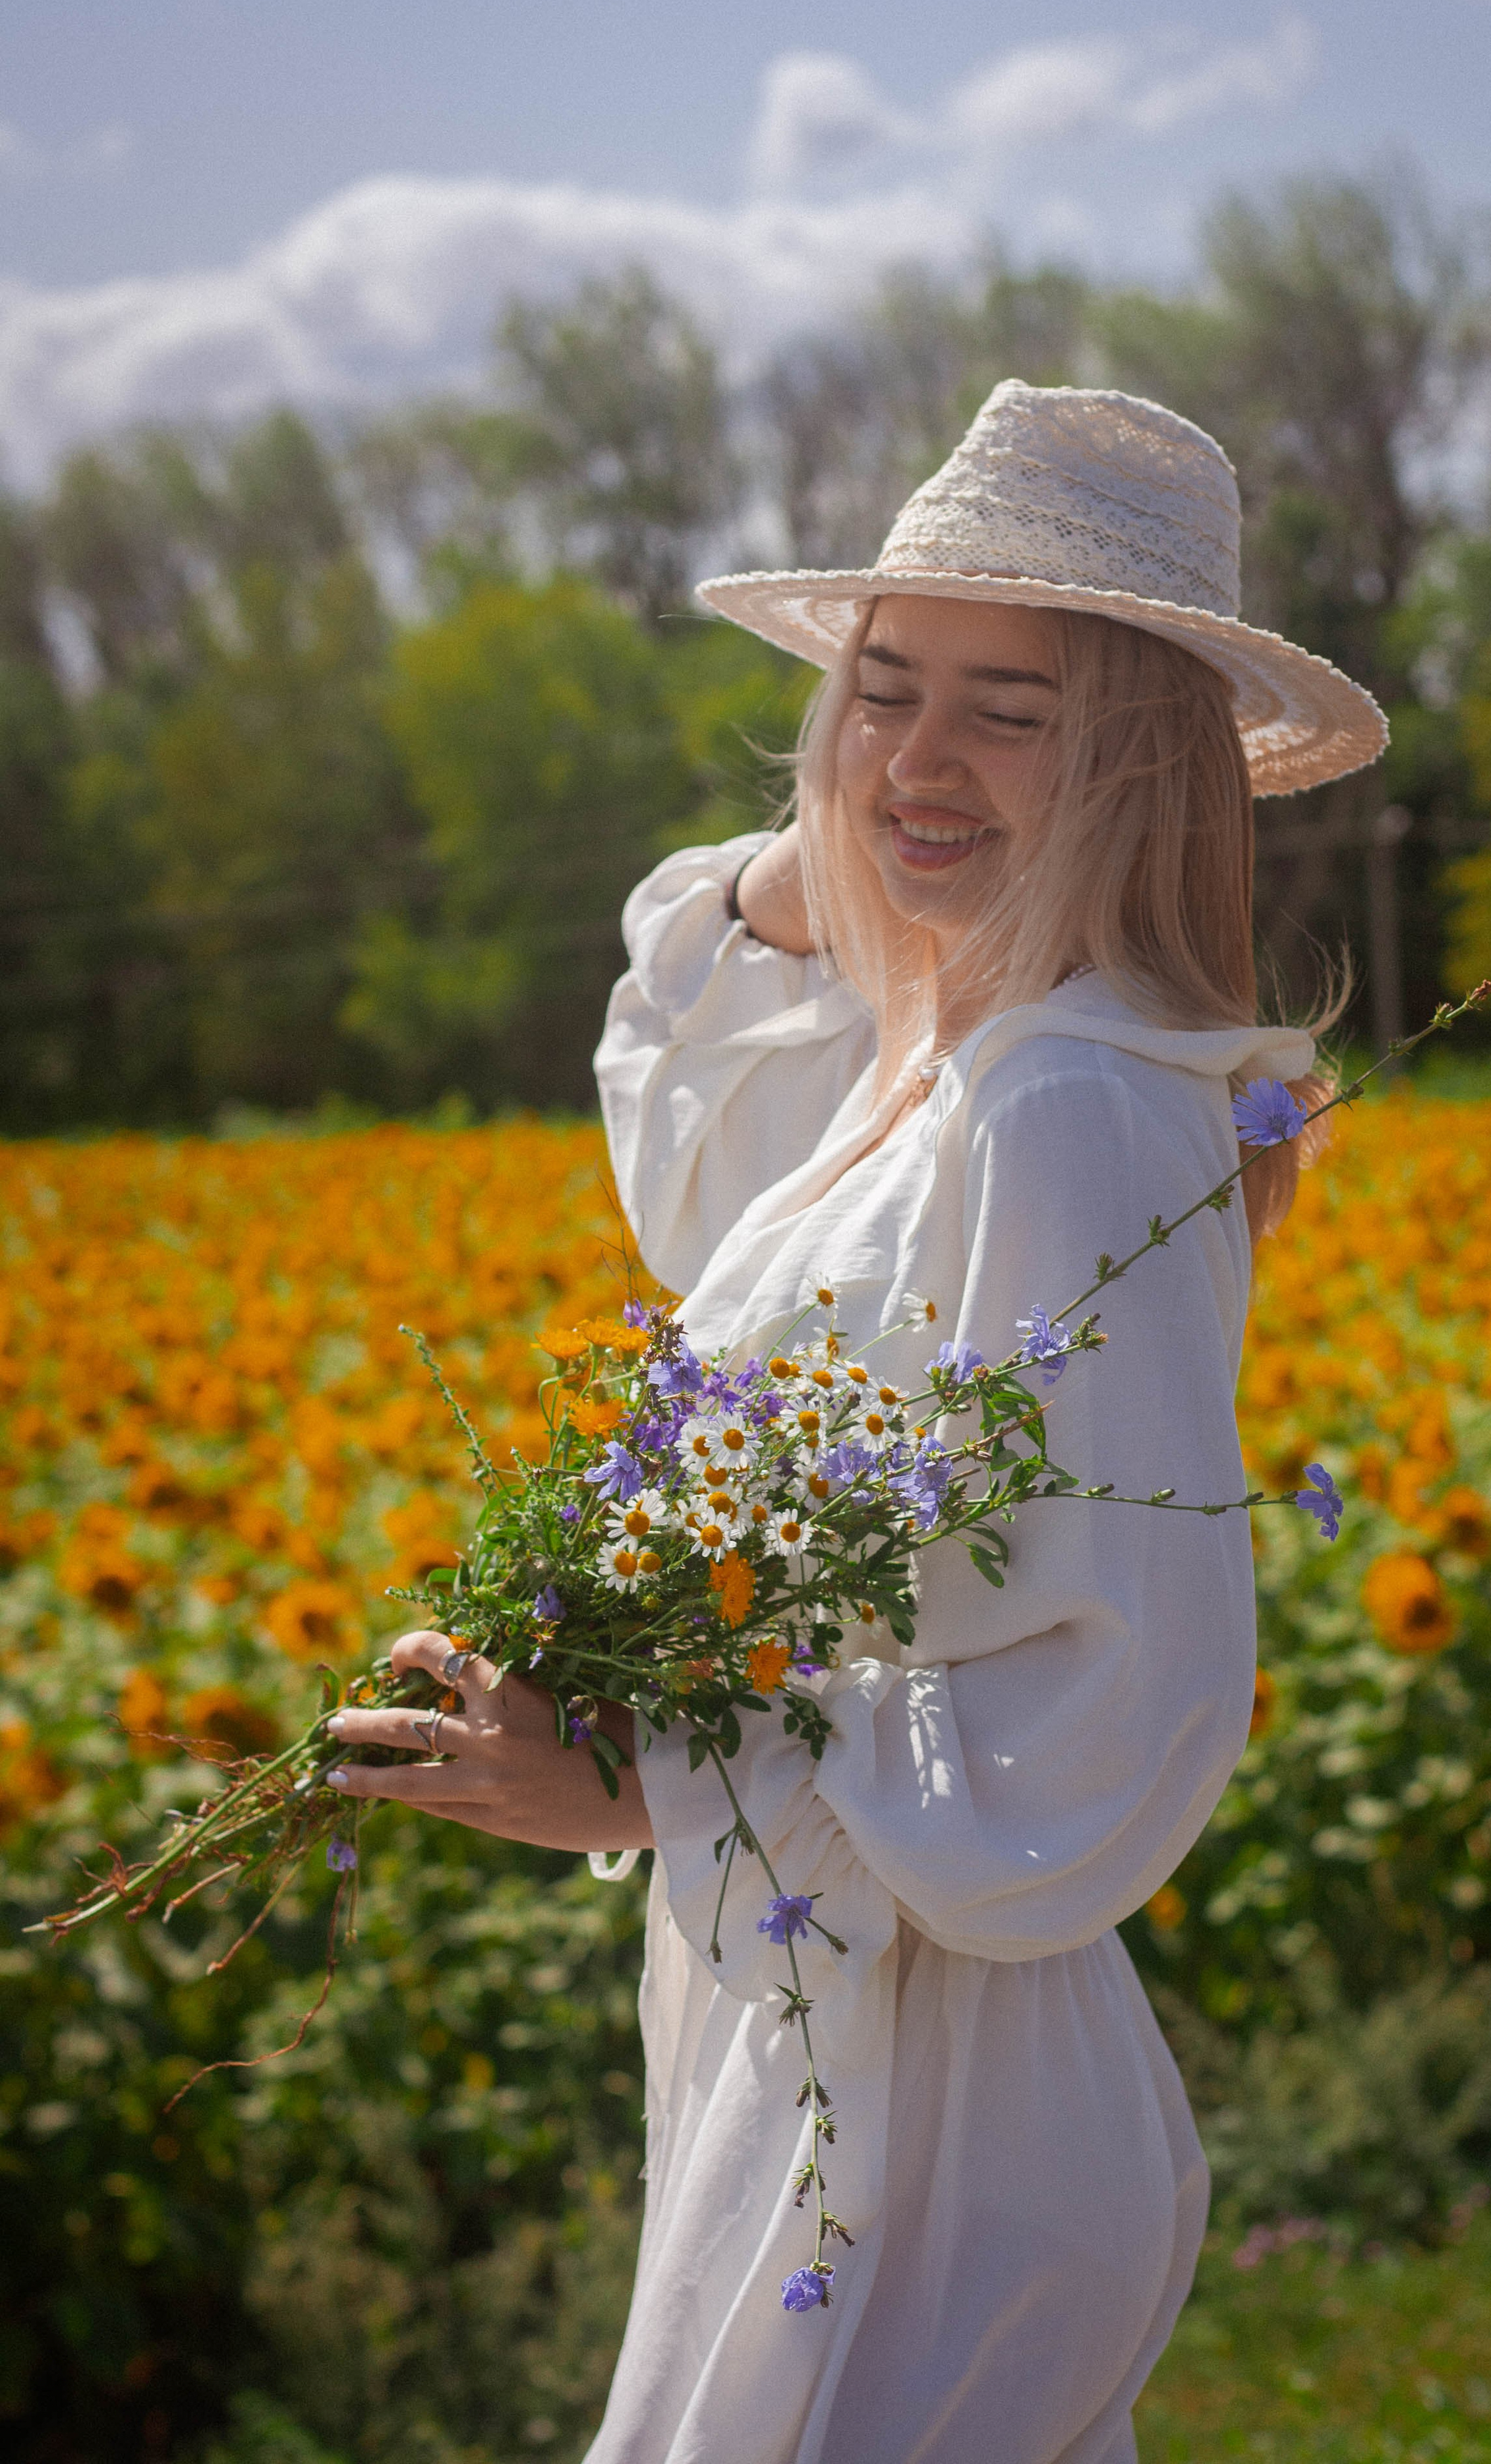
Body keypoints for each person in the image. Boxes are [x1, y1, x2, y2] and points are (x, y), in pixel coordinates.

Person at [324, 382, 1386, 2463]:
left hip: (938, 2063)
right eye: (882, 687)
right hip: (837, 2019)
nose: (918, 753)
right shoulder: (951, 1070)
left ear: (1145, 763)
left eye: (1016, 709)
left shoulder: (1065, 1106)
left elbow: (1117, 1706)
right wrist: (866, 843)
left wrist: (645, 1773)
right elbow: (697, 1180)